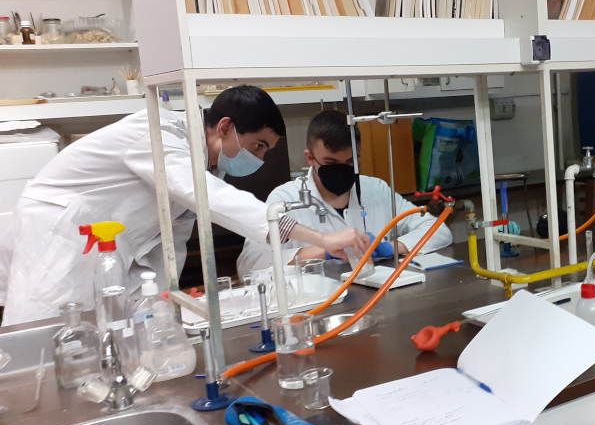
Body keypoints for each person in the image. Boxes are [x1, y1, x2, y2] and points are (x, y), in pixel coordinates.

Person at [0, 86, 369, 328]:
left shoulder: (205, 165)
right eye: (258, 146)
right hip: (62, 233)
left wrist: (165, 304)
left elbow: (170, 244)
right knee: (46, 332)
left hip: (107, 245)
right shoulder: (160, 134)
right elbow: (215, 201)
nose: (259, 159)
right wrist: (323, 238)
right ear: (225, 127)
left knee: (98, 333)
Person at [237, 110, 453, 276]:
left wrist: (389, 247)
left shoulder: (375, 189)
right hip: (320, 300)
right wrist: (324, 250)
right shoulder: (284, 199)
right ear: (310, 158)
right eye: (331, 163)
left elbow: (439, 230)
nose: (341, 170)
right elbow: (249, 263)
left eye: (350, 161)